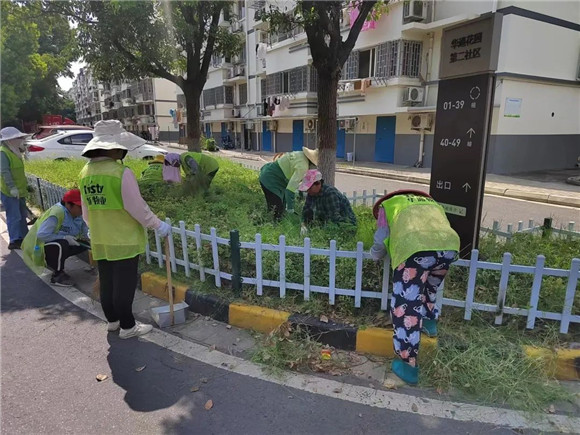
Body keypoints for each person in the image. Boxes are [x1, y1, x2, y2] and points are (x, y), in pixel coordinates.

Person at [79, 120, 172, 339]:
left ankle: (113, 322)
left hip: (101, 238)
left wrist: (92, 228)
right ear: (115, 148)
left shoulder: (85, 173)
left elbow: (86, 210)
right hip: (124, 239)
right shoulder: (121, 173)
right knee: (124, 285)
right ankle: (128, 327)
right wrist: (158, 225)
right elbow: (137, 208)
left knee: (107, 281)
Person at [370, 190, 459, 385]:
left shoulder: (389, 206)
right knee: (429, 288)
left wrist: (374, 257)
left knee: (406, 305)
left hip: (414, 249)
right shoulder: (430, 203)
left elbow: (381, 238)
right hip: (449, 247)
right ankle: (429, 324)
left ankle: (407, 366)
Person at [22, 189, 89, 286]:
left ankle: (56, 261)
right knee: (62, 244)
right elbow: (42, 234)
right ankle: (57, 275)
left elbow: (86, 231)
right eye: (79, 207)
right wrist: (65, 237)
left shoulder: (78, 215)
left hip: (56, 243)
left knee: (84, 244)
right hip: (39, 248)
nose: (82, 210)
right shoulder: (57, 213)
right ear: (68, 205)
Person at [259, 147, 318, 220]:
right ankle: (267, 225)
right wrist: (290, 208)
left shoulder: (300, 154)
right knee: (276, 210)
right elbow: (290, 190)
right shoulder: (303, 167)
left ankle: (272, 224)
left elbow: (298, 182)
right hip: (270, 179)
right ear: (312, 163)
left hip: (270, 173)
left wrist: (301, 194)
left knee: (281, 207)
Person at [298, 169, 356, 236]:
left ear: (318, 184)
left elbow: (334, 218)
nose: (307, 191)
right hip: (327, 224)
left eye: (309, 188)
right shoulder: (311, 194)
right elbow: (306, 212)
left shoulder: (330, 194)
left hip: (344, 226)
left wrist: (321, 232)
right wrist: (303, 225)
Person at [0, 127, 30, 249]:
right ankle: (14, 240)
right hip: (9, 191)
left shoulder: (14, 151)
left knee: (22, 215)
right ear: (10, 140)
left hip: (19, 190)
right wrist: (12, 187)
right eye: (18, 138)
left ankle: (24, 237)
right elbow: (5, 172)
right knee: (14, 216)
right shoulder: (3, 153)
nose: (21, 140)